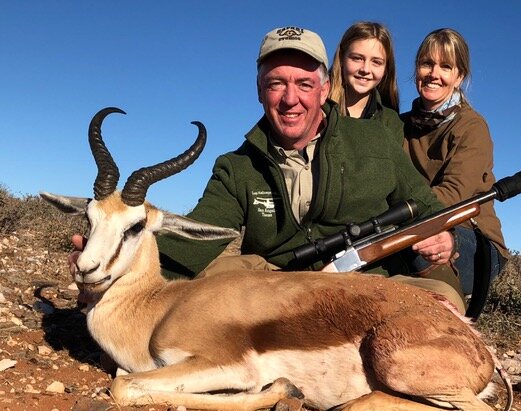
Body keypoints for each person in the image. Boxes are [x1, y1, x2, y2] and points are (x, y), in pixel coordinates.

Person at [150, 26, 465, 312]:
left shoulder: (377, 139)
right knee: (209, 280)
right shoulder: (237, 167)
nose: (291, 99)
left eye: (304, 83)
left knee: (442, 300)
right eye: (276, 83)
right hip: (275, 292)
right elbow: (191, 244)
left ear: (325, 88)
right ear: (260, 90)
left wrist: (444, 237)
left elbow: (428, 209)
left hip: (368, 288)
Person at [402, 28, 508, 303]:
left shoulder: (471, 126)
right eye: (427, 64)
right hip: (410, 224)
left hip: (472, 239)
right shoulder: (399, 125)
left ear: (459, 77)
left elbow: (454, 195)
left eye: (445, 66)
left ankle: (453, 325)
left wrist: (392, 213)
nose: (433, 74)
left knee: (419, 246)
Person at [328, 21, 402, 139]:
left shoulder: (391, 122)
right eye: (357, 58)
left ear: (386, 68)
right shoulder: (318, 107)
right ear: (342, 58)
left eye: (376, 62)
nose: (365, 69)